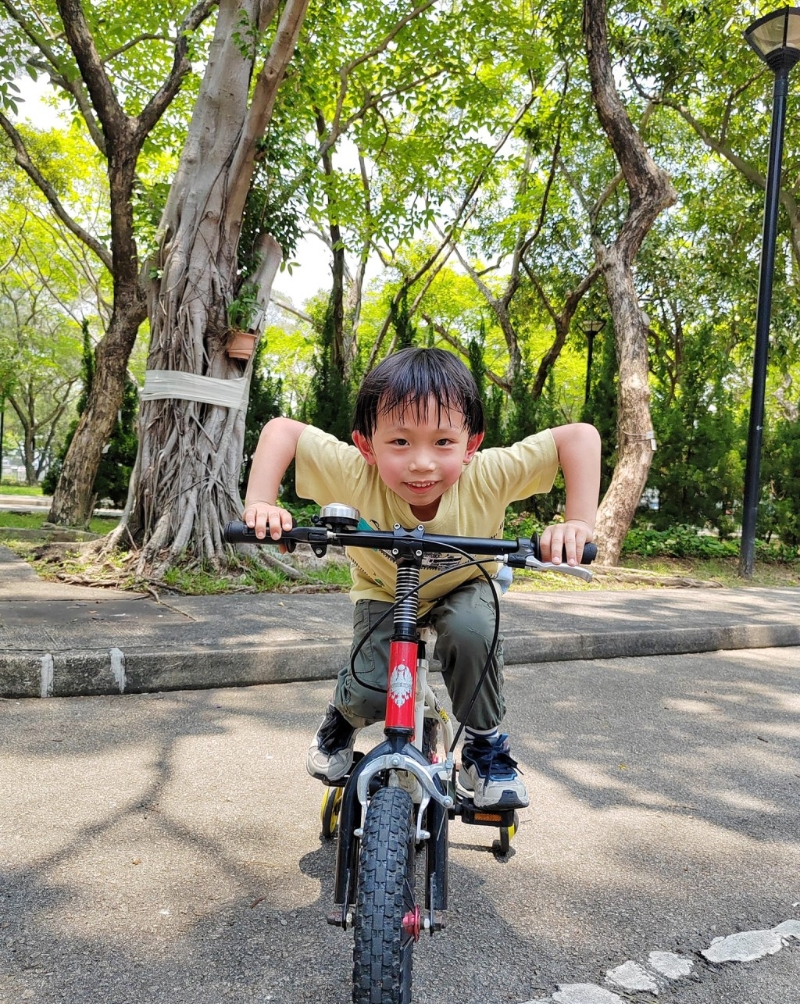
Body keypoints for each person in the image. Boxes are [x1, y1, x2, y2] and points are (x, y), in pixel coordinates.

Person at [244, 347, 600, 810]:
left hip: (465, 584)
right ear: (367, 446)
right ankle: (343, 717)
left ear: (470, 445)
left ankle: (484, 745)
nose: (422, 462)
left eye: (443, 442)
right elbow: (282, 430)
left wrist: (577, 523)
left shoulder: (489, 474)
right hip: (384, 589)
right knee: (371, 689)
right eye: (400, 442)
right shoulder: (354, 471)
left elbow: (579, 437)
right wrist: (262, 502)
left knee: (472, 633)